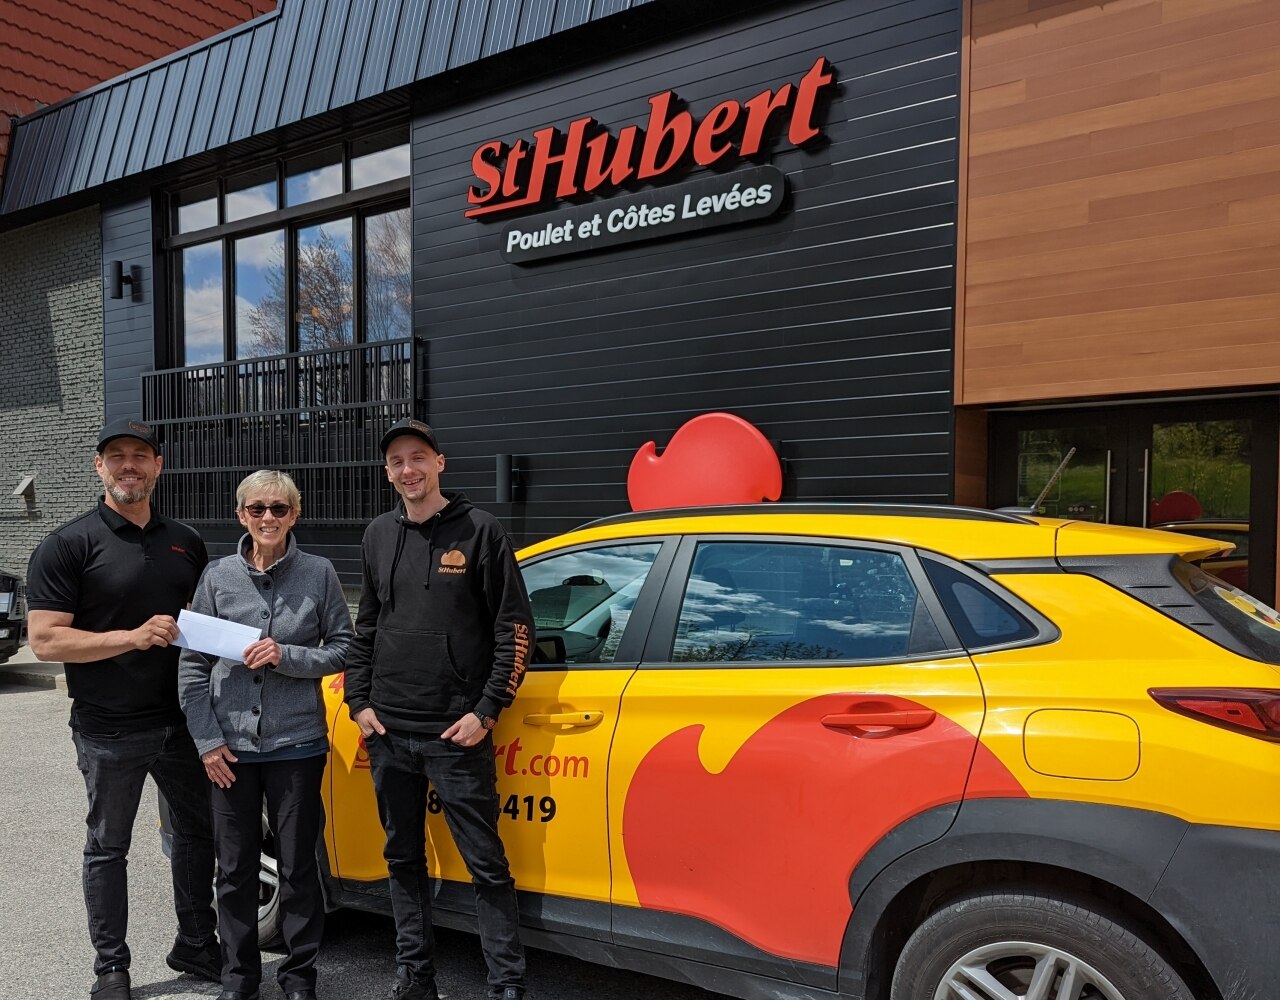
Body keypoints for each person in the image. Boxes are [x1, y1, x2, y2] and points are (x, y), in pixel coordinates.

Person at [26, 418, 220, 1000]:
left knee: (196, 833)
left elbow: (199, 624)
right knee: (109, 848)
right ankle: (111, 967)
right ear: (99, 467)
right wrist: (130, 638)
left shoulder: (186, 540)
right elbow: (46, 640)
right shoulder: (68, 543)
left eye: (140, 455)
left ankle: (196, 944)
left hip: (185, 723)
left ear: (158, 466)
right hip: (109, 726)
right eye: (117, 456)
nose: (129, 465)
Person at [344, 417, 534, 1000]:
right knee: (402, 859)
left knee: (487, 865)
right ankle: (415, 977)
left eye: (418, 457)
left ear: (440, 462)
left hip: (457, 735)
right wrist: (358, 702)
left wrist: (487, 709)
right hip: (389, 731)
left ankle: (505, 983)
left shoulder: (481, 531)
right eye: (398, 461)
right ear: (387, 471)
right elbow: (367, 625)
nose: (409, 470)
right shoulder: (377, 534)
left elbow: (515, 629)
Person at [178, 469, 353, 1000]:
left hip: (297, 745)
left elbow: (345, 648)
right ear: (241, 515)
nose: (268, 518)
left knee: (300, 867)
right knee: (233, 871)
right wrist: (207, 742)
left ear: (295, 514)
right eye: (257, 509)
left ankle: (299, 979)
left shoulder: (319, 573)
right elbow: (191, 663)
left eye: (279, 508)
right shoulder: (216, 576)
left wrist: (287, 655)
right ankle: (239, 979)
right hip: (230, 748)